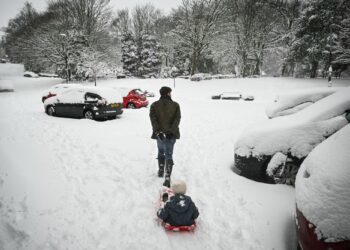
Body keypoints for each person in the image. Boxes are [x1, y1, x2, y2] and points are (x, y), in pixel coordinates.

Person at [150, 86, 181, 187]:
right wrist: (171, 131)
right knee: (169, 155)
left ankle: (161, 170)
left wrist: (158, 132)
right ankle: (167, 178)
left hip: (160, 135)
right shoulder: (175, 105)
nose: (171, 94)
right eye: (170, 93)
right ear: (168, 93)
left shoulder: (154, 105)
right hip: (171, 136)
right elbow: (177, 119)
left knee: (161, 152)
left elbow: (153, 120)